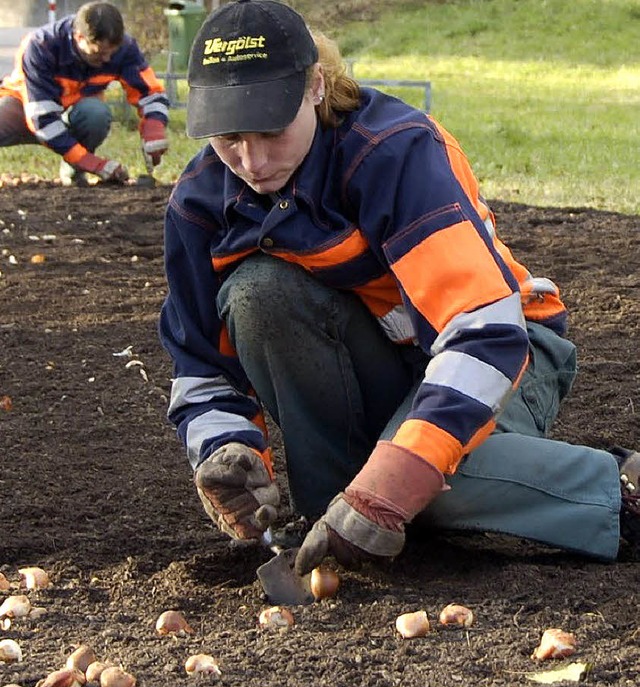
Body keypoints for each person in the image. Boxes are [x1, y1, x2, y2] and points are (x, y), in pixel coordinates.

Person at [159, 0, 640, 581]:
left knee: (422, 487)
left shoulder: (392, 152)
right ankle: (346, 497)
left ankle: (621, 494)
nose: (252, 161)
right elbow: (201, 364)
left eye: (270, 130)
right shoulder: (200, 202)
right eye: (228, 137)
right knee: (257, 290)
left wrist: (396, 481)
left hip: (508, 348)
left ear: (314, 88)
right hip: (386, 359)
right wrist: (222, 450)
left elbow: (485, 335)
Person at [0, 1, 169, 186]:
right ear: (80, 37)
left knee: (95, 113)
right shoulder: (41, 46)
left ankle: (74, 175)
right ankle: (79, 163)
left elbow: (150, 93)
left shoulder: (125, 49)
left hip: (75, 112)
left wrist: (154, 128)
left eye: (111, 54)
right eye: (99, 53)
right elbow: (42, 120)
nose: (106, 60)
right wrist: (92, 163)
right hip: (26, 106)